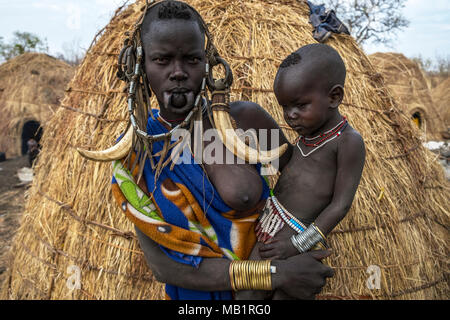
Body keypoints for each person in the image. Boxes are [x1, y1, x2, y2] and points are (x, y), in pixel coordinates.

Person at [102, 1, 334, 300]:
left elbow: (303, 192)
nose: (178, 72)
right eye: (162, 60)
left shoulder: (246, 121)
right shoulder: (136, 153)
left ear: (210, 65)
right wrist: (275, 273)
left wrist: (298, 247)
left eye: (192, 59)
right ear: (141, 66)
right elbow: (164, 268)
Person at [236, 44, 365, 299]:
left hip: (296, 241)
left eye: (300, 106)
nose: (290, 116)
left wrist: (296, 244)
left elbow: (340, 205)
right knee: (246, 295)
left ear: (334, 97)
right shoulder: (307, 136)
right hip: (269, 231)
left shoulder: (348, 142)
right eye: (285, 107)